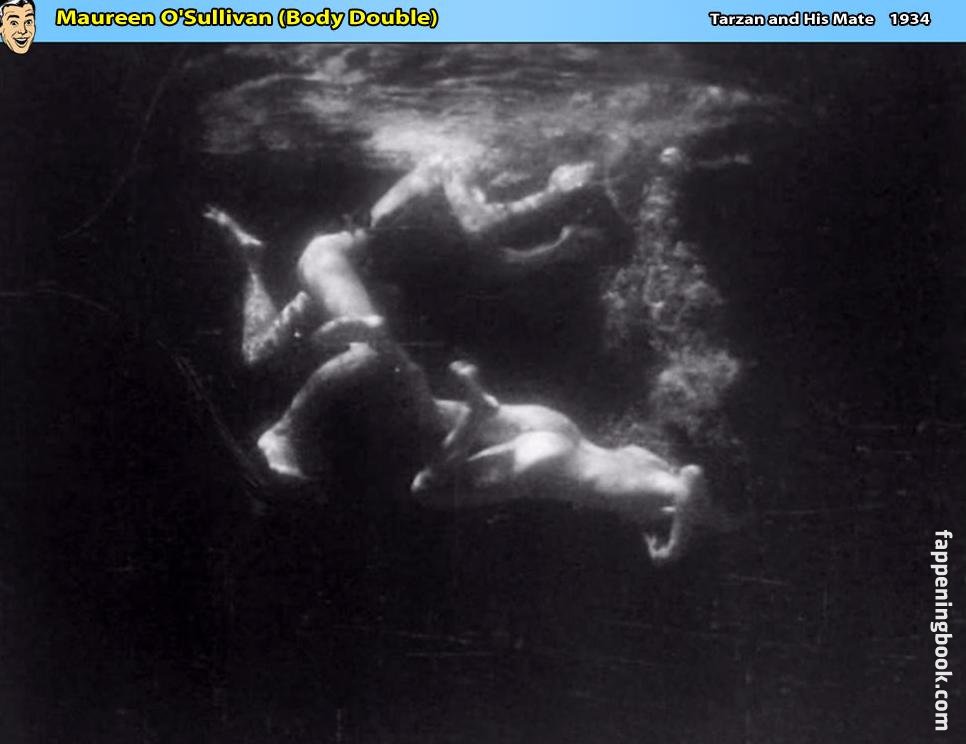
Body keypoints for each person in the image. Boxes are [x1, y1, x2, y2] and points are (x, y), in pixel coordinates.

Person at [205, 155, 630, 479]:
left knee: (258, 355)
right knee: (371, 355)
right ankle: (284, 433)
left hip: (367, 282)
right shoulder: (452, 158)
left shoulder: (481, 192)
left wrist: (556, 251)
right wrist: (554, 195)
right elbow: (478, 226)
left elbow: (489, 262)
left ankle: (252, 260)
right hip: (334, 260)